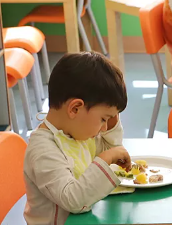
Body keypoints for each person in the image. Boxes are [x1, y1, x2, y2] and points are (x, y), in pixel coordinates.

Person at [23, 52, 132, 225]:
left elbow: (107, 160)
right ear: (75, 109)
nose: (104, 128)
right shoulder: (43, 150)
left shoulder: (74, 132)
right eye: (103, 119)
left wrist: (112, 126)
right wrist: (106, 158)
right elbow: (74, 201)